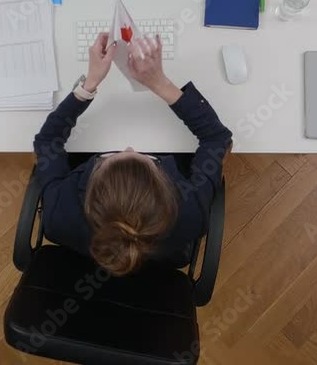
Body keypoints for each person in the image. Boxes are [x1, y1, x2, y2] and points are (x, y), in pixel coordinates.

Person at [34, 32, 232, 276]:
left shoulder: (57, 214)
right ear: (165, 184)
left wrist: (89, 84)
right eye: (148, 160)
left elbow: (47, 140)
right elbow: (216, 138)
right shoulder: (190, 213)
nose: (129, 148)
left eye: (109, 157)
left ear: (91, 184)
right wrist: (160, 83)